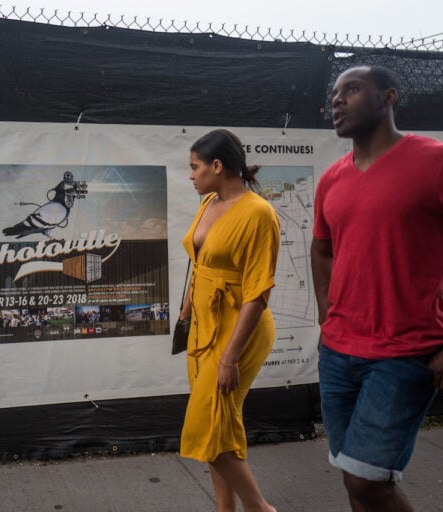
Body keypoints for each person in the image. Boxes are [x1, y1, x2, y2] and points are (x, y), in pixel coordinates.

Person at [311, 65, 443, 512]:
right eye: (334, 94)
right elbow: (321, 250)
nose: (338, 100)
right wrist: (328, 317)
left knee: (368, 484)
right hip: (337, 354)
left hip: (404, 355)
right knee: (354, 478)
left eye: (352, 89)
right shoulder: (332, 178)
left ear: (389, 97)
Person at [179, 129, 280, 512]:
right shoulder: (208, 201)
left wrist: (229, 358)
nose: (191, 175)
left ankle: (260, 509)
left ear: (217, 166)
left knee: (205, 426)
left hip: (240, 330)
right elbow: (202, 261)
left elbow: (257, 292)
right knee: (220, 425)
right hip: (204, 325)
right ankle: (225, 509)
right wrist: (189, 306)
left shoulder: (258, 213)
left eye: (195, 167)